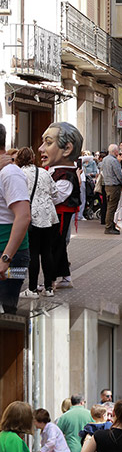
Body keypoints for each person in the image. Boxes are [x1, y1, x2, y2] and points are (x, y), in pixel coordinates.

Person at [39, 121, 83, 288]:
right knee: (57, 246)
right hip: (57, 213)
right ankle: (64, 276)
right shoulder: (57, 172)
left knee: (52, 247)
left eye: (48, 142)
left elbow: (54, 197)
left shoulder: (65, 175)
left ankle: (49, 281)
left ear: (67, 149)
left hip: (60, 214)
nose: (41, 148)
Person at [16, 146, 58, 298]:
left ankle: (32, 289)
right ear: (33, 158)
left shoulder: (20, 173)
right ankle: (48, 288)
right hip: (49, 216)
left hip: (32, 216)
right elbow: (55, 192)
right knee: (47, 252)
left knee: (33, 253)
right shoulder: (44, 172)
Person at [0, 125, 31, 312]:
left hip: (13, 257)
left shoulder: (10, 173)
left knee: (7, 311)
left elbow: (23, 216)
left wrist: (5, 258)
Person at [99, 144, 122, 236]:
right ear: (115, 151)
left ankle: (110, 225)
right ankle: (109, 227)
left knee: (109, 206)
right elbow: (119, 174)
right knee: (112, 207)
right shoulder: (114, 161)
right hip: (114, 186)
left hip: (107, 185)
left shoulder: (104, 160)